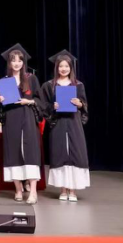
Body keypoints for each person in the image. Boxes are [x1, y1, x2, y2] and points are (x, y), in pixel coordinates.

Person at [40, 50, 90, 202]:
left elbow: (84, 105)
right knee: (60, 153)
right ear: (56, 68)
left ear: (71, 68)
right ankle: (63, 189)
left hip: (74, 123)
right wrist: (52, 107)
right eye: (61, 66)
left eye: (66, 66)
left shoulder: (78, 85)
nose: (63, 69)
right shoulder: (49, 86)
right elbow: (43, 106)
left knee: (76, 154)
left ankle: (72, 190)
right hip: (58, 123)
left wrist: (80, 104)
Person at [0, 43, 43, 204]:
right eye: (13, 60)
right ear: (9, 63)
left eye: (19, 60)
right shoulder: (4, 81)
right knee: (13, 152)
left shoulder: (31, 78)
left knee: (30, 152)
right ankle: (17, 189)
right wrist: (0, 100)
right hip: (11, 118)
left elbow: (40, 100)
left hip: (27, 116)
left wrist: (28, 101)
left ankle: (33, 192)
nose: (16, 63)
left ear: (24, 62)